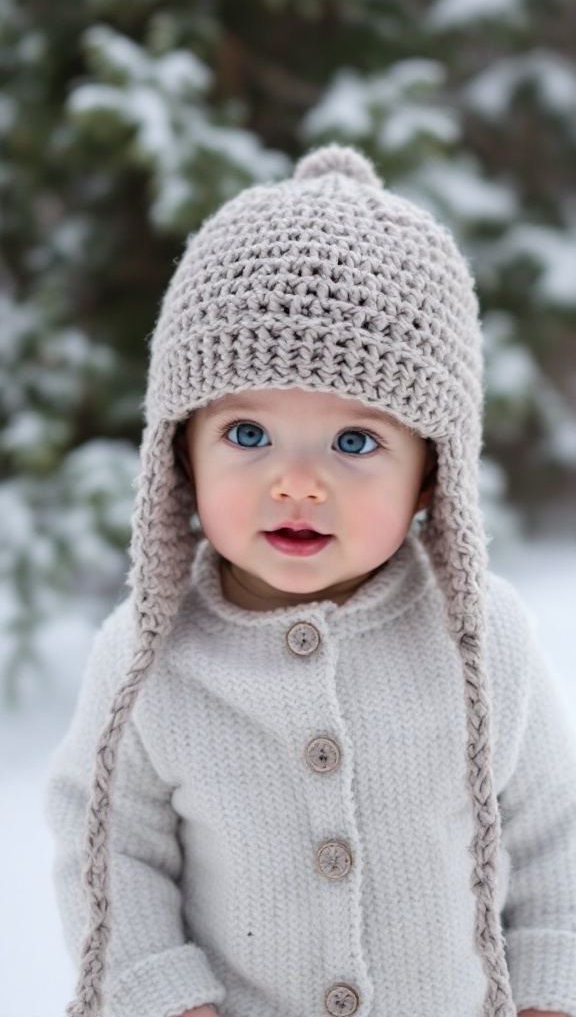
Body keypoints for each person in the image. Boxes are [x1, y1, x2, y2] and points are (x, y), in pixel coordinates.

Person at [45, 144, 576, 1017]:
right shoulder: (150, 656)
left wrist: (548, 990)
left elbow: (551, 834)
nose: (296, 482)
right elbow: (108, 849)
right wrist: (163, 995)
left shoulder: (480, 637)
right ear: (179, 452)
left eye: (356, 443)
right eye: (248, 435)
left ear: (434, 474)